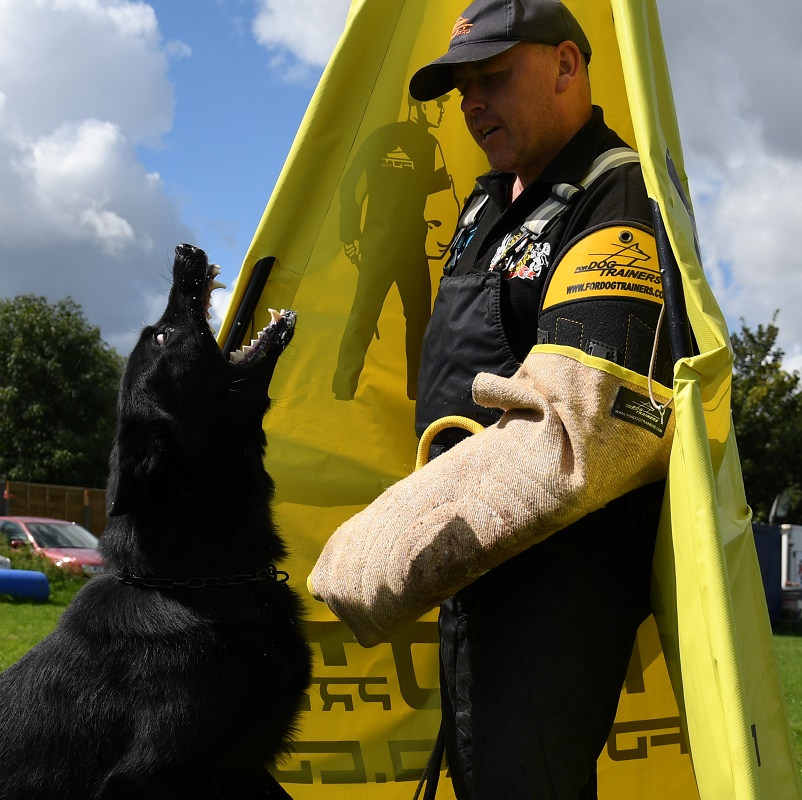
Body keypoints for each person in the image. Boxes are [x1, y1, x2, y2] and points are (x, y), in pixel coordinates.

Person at [309, 0, 676, 797]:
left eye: (495, 76)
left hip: (555, 582)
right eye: (462, 86)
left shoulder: (614, 202)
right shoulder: (486, 204)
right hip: (475, 561)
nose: (473, 102)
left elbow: (587, 429)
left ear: (568, 66)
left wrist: (396, 537)